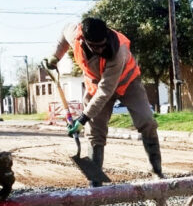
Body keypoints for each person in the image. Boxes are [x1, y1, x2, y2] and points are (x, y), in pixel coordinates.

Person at [43, 17, 163, 187]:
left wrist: (82, 119)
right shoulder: (75, 34)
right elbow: (64, 32)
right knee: (94, 132)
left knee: (147, 121)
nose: (100, 49)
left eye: (102, 44)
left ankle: (157, 173)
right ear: (83, 39)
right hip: (95, 85)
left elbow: (105, 91)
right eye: (95, 46)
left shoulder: (117, 51)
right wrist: (55, 56)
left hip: (128, 83)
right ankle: (95, 184)